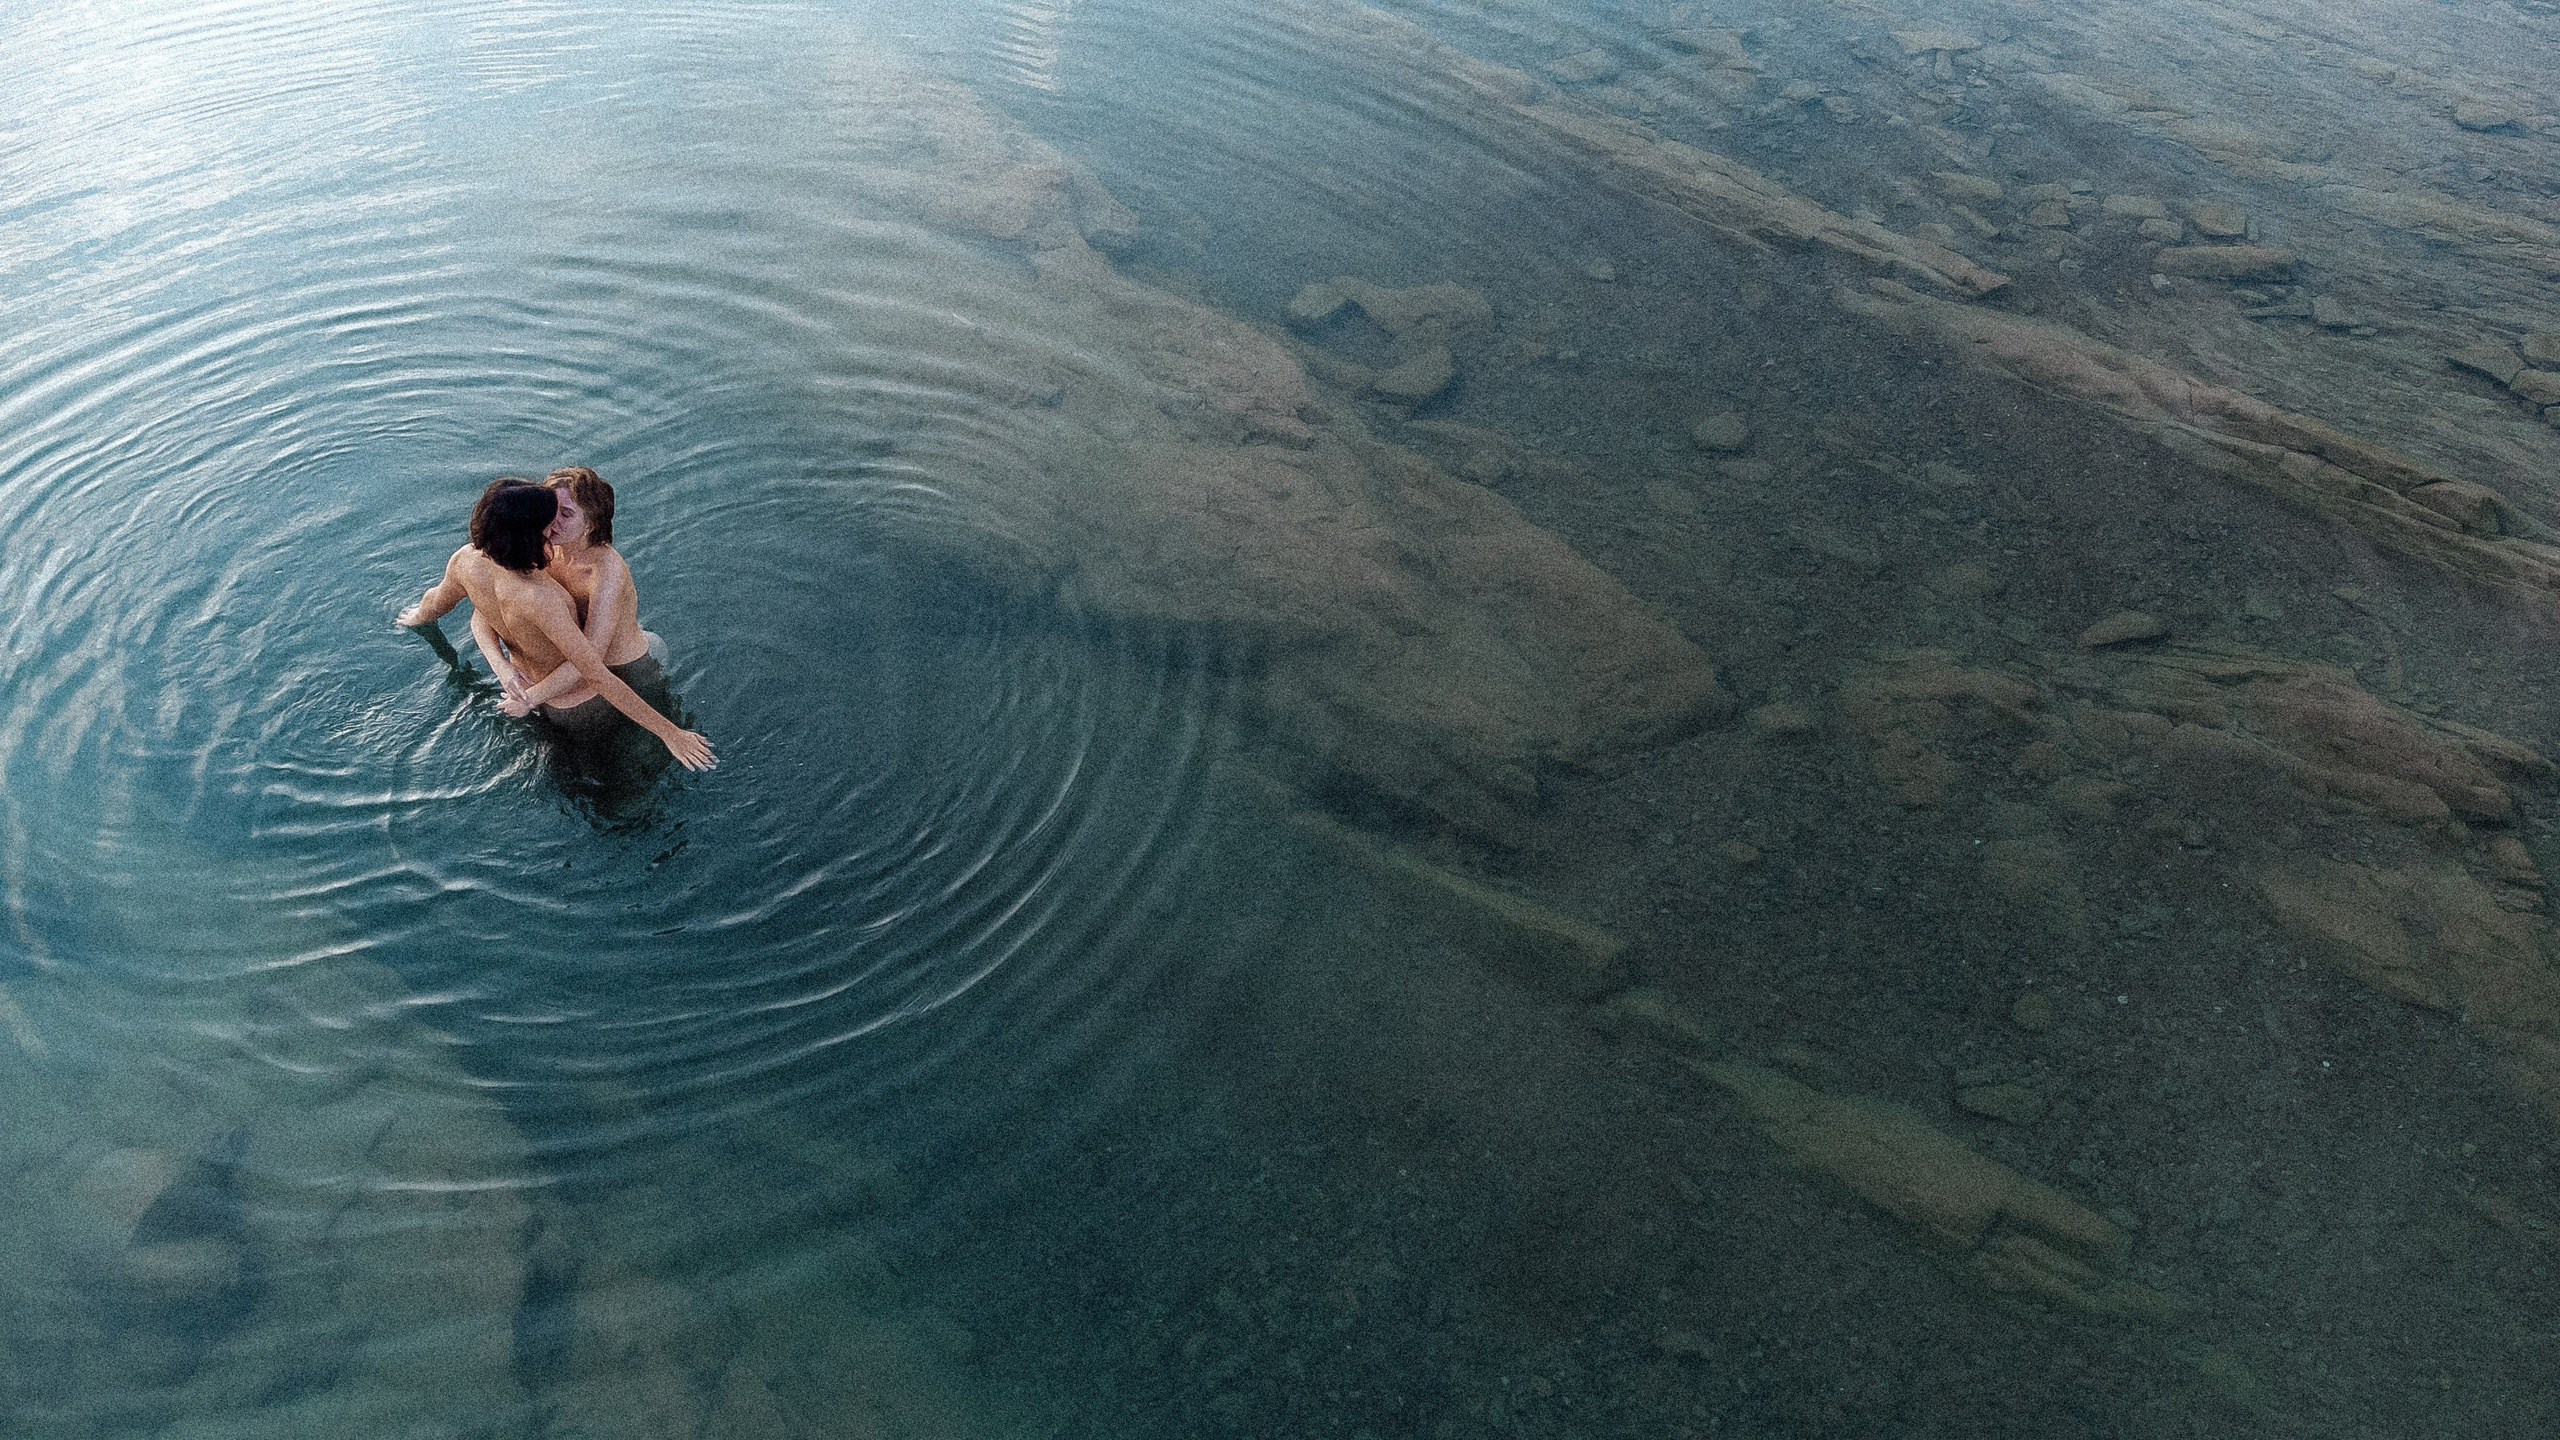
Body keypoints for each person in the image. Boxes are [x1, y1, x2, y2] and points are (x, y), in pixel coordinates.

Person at [396, 478, 715, 772]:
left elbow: (448, 606)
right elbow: (596, 674)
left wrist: (501, 669)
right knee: (629, 777)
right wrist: (670, 733)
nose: (554, 525)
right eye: (549, 521)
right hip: (579, 706)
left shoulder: (464, 561)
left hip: (524, 690)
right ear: (533, 534)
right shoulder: (541, 597)